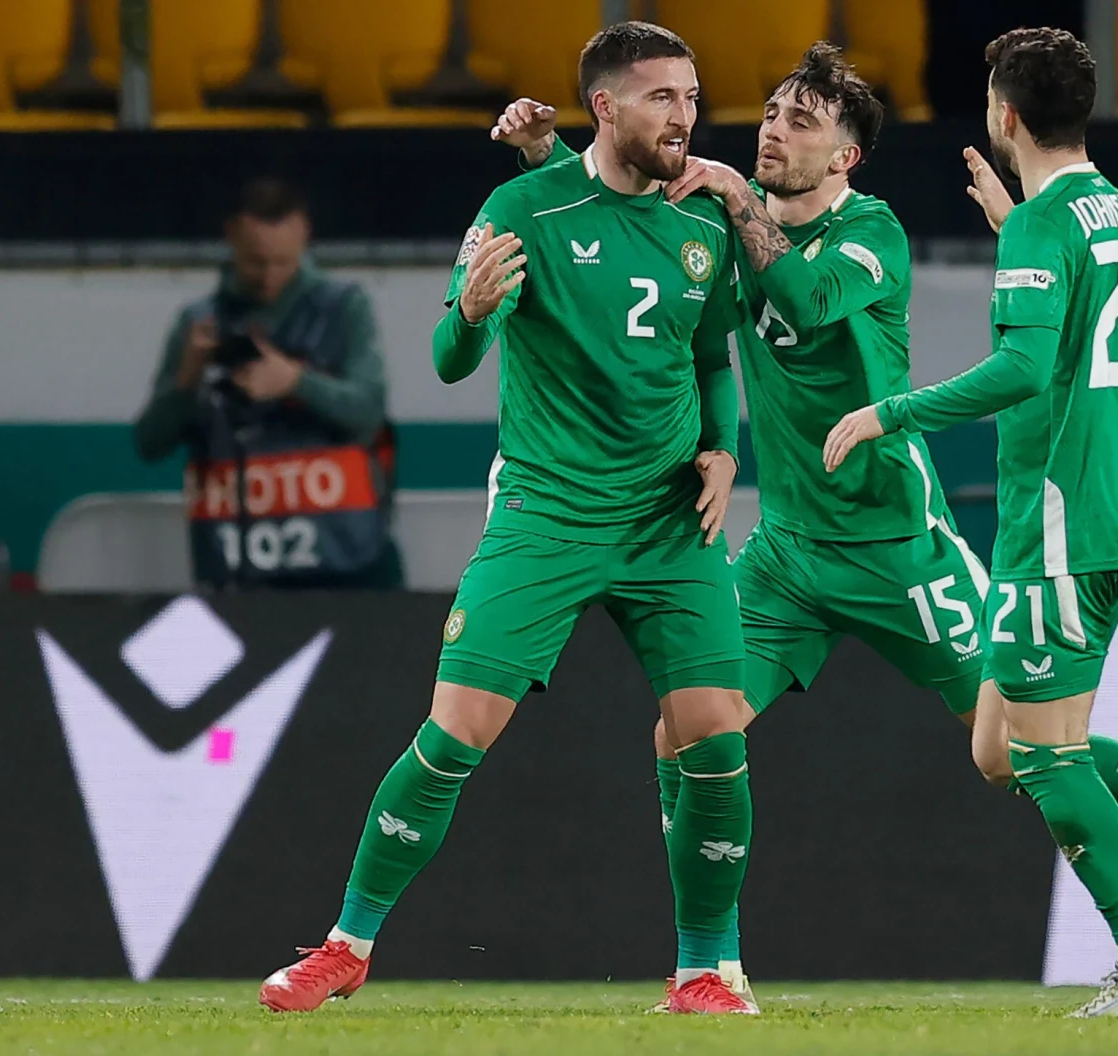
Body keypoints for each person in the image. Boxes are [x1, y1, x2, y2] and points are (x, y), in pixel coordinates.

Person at [497, 40, 1118, 1018]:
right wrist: (542, 161)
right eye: (773, 111)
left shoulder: (871, 235)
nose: (773, 129)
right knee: (683, 732)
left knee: (1016, 753)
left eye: (802, 121)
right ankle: (712, 969)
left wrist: (739, 204)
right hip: (785, 556)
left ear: (845, 160)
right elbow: (616, 248)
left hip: (901, 549)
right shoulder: (723, 226)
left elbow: (809, 298)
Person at [258, 22, 755, 1016]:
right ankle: (346, 945)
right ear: (604, 106)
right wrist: (474, 312)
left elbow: (710, 359)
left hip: (667, 522)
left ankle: (705, 970)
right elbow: (448, 357)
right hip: (550, 513)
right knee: (453, 736)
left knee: (714, 737)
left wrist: (723, 447)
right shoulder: (522, 207)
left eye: (692, 98)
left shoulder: (701, 221)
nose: (684, 117)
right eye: (662, 97)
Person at [824, 28, 1118, 1018]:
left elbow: (1026, 370)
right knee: (1001, 747)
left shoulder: (1047, 226)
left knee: (1043, 755)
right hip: (1105, 503)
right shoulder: (1112, 209)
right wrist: (1019, 228)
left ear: (1001, 114)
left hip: (1058, 518)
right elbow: (1076, 330)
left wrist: (887, 412)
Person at [133, 179, 398, 589]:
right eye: (257, 262)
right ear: (232, 236)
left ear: (304, 234)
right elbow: (148, 442)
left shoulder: (344, 307)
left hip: (344, 560)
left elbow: (367, 411)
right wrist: (187, 378)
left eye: (283, 262)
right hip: (234, 564)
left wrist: (295, 381)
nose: (270, 277)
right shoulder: (200, 322)